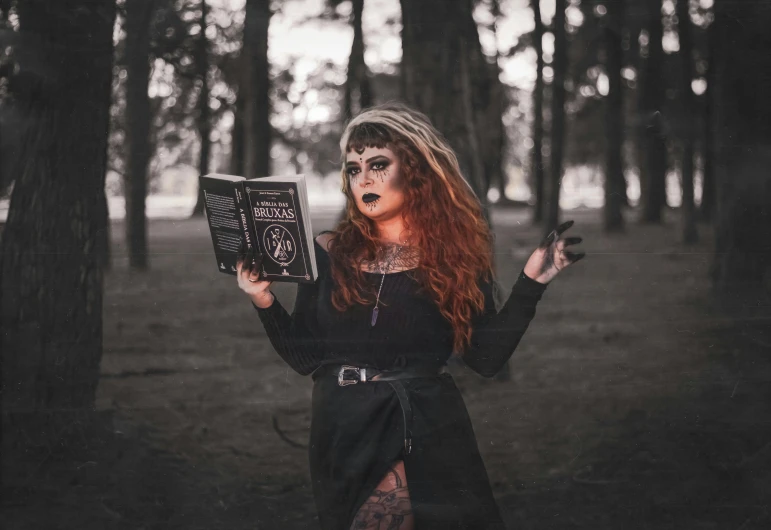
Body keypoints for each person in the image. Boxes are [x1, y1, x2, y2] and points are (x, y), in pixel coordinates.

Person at [236, 103, 584, 530]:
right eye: (352, 169)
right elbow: (305, 357)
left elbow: (485, 358)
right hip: (342, 426)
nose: (362, 178)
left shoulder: (453, 261)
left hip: (424, 423)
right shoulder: (327, 252)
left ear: (415, 170)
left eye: (378, 164)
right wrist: (263, 299)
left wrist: (533, 281)